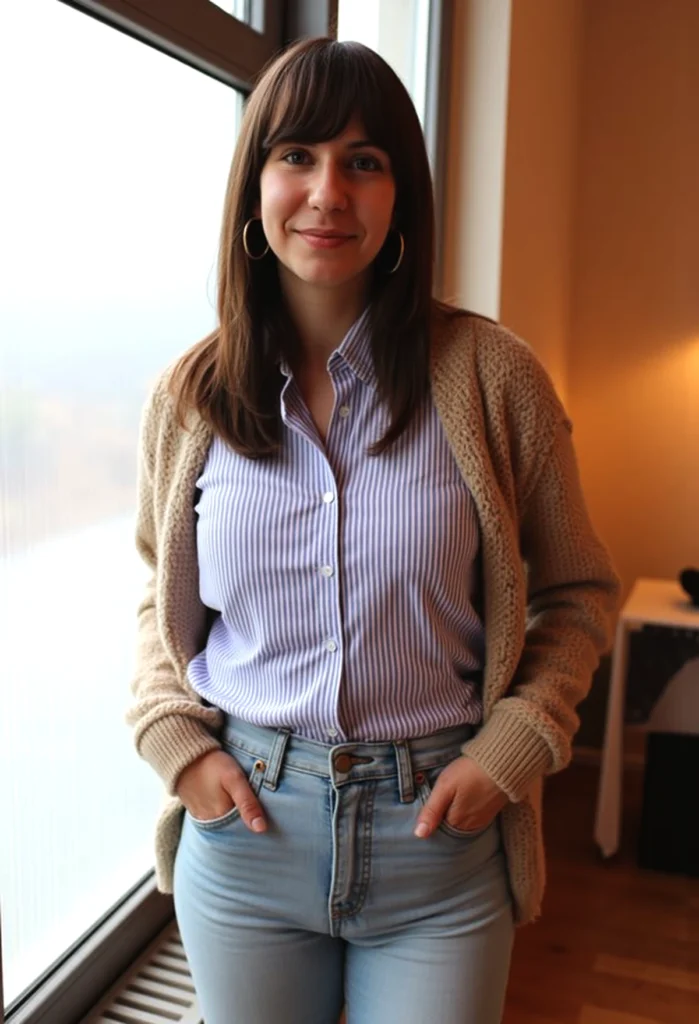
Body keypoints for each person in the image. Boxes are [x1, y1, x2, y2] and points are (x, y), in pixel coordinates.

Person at [128, 36, 620, 1024]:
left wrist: (515, 747)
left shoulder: (494, 377)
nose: (327, 193)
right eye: (297, 156)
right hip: (248, 829)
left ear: (401, 195)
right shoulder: (190, 396)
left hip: (437, 836)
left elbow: (578, 592)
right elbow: (159, 594)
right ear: (254, 185)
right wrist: (174, 739)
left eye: (365, 161)